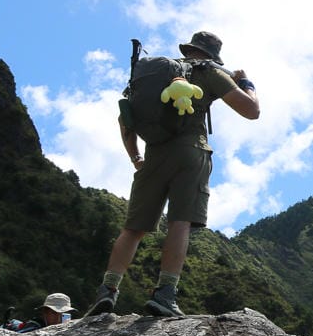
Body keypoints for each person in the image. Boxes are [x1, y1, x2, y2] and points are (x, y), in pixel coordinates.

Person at [85, 31, 259, 318]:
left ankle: (108, 291)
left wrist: (136, 157)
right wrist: (246, 82)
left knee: (133, 228)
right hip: (191, 151)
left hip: (153, 154)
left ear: (189, 49)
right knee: (180, 222)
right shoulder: (209, 72)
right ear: (212, 55)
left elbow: (125, 119)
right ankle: (165, 294)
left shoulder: (152, 74)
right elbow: (251, 111)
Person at [3, 292, 76, 333]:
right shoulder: (34, 327)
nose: (59, 318)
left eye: (63, 314)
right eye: (54, 313)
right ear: (45, 313)